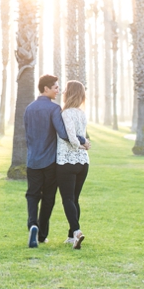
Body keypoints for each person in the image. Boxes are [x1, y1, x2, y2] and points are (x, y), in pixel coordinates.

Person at [23, 74, 89, 248]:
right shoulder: (54, 109)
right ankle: (42, 235)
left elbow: (27, 134)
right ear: (46, 89)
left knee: (32, 195)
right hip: (51, 162)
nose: (58, 91)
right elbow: (63, 133)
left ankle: (33, 225)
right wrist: (82, 140)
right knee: (49, 198)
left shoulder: (29, 108)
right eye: (55, 88)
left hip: (32, 161)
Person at [57, 80, 90, 250]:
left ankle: (76, 232)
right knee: (74, 199)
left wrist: (80, 143)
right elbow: (82, 135)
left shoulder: (66, 113)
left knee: (68, 199)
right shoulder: (82, 114)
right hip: (83, 162)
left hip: (67, 161)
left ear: (69, 93)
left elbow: (71, 137)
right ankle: (71, 236)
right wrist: (84, 143)